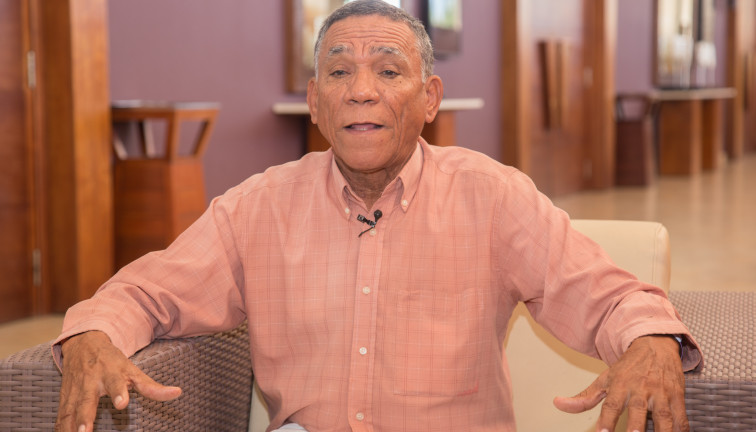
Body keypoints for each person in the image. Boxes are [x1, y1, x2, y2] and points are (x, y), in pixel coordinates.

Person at [53, 1, 702, 431]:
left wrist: (648, 341)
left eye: (388, 71)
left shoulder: (492, 197)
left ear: (429, 98)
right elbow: (145, 293)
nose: (361, 90)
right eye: (340, 72)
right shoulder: (258, 208)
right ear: (315, 102)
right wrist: (94, 336)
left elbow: (609, 297)